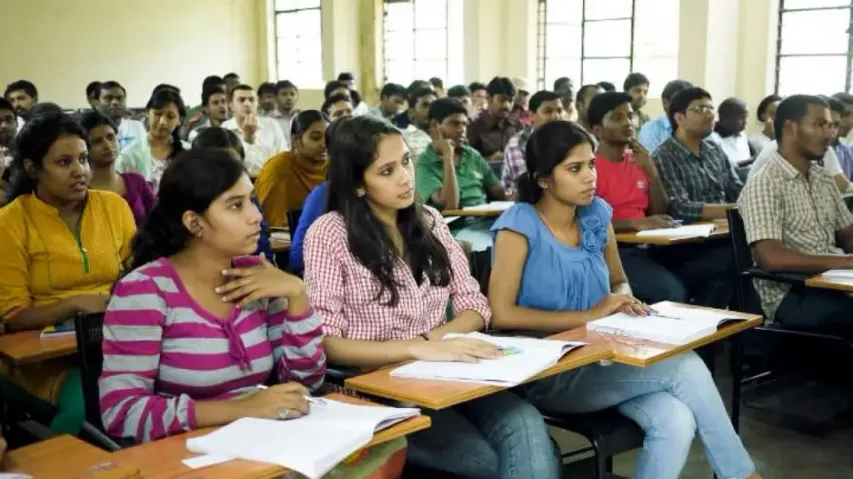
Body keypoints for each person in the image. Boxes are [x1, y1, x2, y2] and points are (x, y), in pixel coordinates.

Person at [487, 120, 762, 479]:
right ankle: (741, 475)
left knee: (676, 420)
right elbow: (502, 315)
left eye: (591, 165)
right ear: (543, 178)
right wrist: (590, 317)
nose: (589, 177)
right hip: (549, 371)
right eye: (574, 169)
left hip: (604, 356)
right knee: (684, 365)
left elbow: (619, 281)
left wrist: (623, 302)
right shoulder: (519, 225)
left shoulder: (597, 214)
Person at [304, 115, 561, 478]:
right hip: (382, 393)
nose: (406, 177)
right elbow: (327, 342)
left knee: (526, 422)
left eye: (407, 161)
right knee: (492, 463)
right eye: (387, 171)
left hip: (449, 373)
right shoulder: (329, 235)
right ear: (358, 184)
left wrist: (435, 343)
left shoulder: (430, 221)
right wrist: (418, 347)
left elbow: (476, 306)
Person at [99, 148, 327, 445]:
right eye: (235, 206)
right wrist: (239, 409)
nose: (256, 216)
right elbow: (122, 412)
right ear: (194, 223)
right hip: (187, 456)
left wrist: (297, 295)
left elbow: (304, 383)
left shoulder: (257, 277)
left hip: (265, 443)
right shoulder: (145, 291)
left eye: (251, 201)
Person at [0, 113, 136, 435]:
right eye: (64, 162)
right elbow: (12, 315)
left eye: (83, 159)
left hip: (115, 341)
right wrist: (75, 305)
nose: (80, 171)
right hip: (42, 360)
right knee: (89, 407)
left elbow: (136, 273)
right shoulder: (10, 222)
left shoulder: (113, 207)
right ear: (33, 168)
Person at [739, 94, 853, 337]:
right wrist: (846, 262)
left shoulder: (822, 178)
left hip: (832, 282)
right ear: (790, 128)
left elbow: (847, 233)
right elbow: (772, 258)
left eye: (831, 126)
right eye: (819, 125)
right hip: (792, 293)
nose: (829, 134)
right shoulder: (766, 182)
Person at [587, 92, 687, 303]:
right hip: (616, 251)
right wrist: (638, 223)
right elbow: (588, 222)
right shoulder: (590, 168)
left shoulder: (639, 160)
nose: (628, 122)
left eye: (630, 116)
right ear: (597, 129)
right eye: (617, 117)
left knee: (717, 268)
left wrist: (651, 172)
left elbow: (659, 212)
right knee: (671, 292)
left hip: (652, 246)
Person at [652, 87, 741, 308]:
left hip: (721, 238)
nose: (710, 114)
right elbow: (679, 208)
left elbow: (737, 189)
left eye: (711, 108)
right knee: (735, 263)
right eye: (700, 109)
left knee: (747, 261)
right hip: (685, 247)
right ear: (679, 117)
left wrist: (747, 203)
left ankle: (738, 335)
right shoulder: (664, 155)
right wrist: (734, 209)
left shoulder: (715, 151)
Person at [417, 99, 507, 250]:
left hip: (488, 221)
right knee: (492, 247)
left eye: (464, 124)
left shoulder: (472, 155)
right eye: (454, 124)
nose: (461, 130)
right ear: (434, 126)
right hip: (456, 228)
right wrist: (447, 156)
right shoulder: (425, 163)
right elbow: (450, 205)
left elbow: (500, 193)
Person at [192, 127, 274, 262]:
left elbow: (263, 247)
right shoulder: (192, 204)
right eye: (220, 165)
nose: (229, 172)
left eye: (234, 163)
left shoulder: (250, 199)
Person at [255, 111, 329, 228]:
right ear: (296, 140)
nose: (324, 144)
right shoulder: (279, 168)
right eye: (315, 138)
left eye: (328, 138)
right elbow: (273, 223)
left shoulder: (332, 167)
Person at [79, 111, 155, 225]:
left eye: (110, 137)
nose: (107, 145)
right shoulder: (80, 191)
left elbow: (159, 218)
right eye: (97, 141)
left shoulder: (136, 181)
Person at [116, 88, 189, 191]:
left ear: (179, 121)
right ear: (147, 113)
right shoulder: (129, 155)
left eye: (170, 116)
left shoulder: (189, 151)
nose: (162, 121)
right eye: (158, 114)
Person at [501, 90, 564, 193]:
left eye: (559, 111)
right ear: (532, 115)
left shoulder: (567, 139)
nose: (556, 116)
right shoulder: (517, 143)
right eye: (548, 111)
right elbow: (526, 183)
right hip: (523, 201)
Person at [221, 85, 289, 175]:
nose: (247, 104)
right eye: (241, 100)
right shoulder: (224, 129)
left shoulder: (272, 125)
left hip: (271, 179)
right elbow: (230, 166)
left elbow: (283, 157)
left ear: (257, 104)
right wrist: (248, 139)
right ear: (231, 106)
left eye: (251, 100)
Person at [467, 77, 521, 162]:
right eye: (502, 100)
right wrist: (489, 160)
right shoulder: (473, 127)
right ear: (489, 99)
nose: (507, 105)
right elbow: (466, 162)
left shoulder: (518, 126)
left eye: (511, 101)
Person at [638, 79, 693, 153]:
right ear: (665, 103)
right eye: (682, 102)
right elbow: (654, 162)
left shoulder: (697, 127)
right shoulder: (651, 129)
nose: (687, 107)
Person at [97, 81, 146, 151]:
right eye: (108, 98)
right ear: (98, 103)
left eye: (119, 98)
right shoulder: (90, 130)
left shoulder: (137, 127)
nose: (115, 102)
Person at [183, 75, 227, 139]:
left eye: (223, 101)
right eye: (216, 103)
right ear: (206, 108)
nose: (221, 106)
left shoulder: (236, 129)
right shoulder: (197, 134)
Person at [712, 97, 752, 166]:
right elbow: (723, 168)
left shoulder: (742, 135)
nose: (746, 122)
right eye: (742, 118)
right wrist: (751, 161)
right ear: (726, 118)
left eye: (746, 117)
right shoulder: (712, 139)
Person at [399, 87, 436, 158]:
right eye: (425, 105)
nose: (431, 109)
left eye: (434, 105)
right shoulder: (403, 138)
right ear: (411, 113)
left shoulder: (444, 136)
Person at [268, 80, 300, 145]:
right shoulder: (268, 120)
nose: (289, 98)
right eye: (284, 94)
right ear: (275, 97)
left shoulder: (301, 118)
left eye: (292, 94)